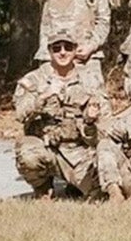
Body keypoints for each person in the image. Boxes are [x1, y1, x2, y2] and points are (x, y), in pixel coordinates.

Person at [14, 30, 108, 200]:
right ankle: (43, 187)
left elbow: (106, 124)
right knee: (29, 155)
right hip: (45, 146)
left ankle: (74, 186)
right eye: (56, 48)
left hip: (77, 150)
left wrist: (90, 122)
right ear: (49, 51)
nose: (62, 52)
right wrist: (41, 98)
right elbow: (20, 114)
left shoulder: (91, 81)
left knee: (99, 194)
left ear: (75, 50)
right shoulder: (34, 79)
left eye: (68, 47)